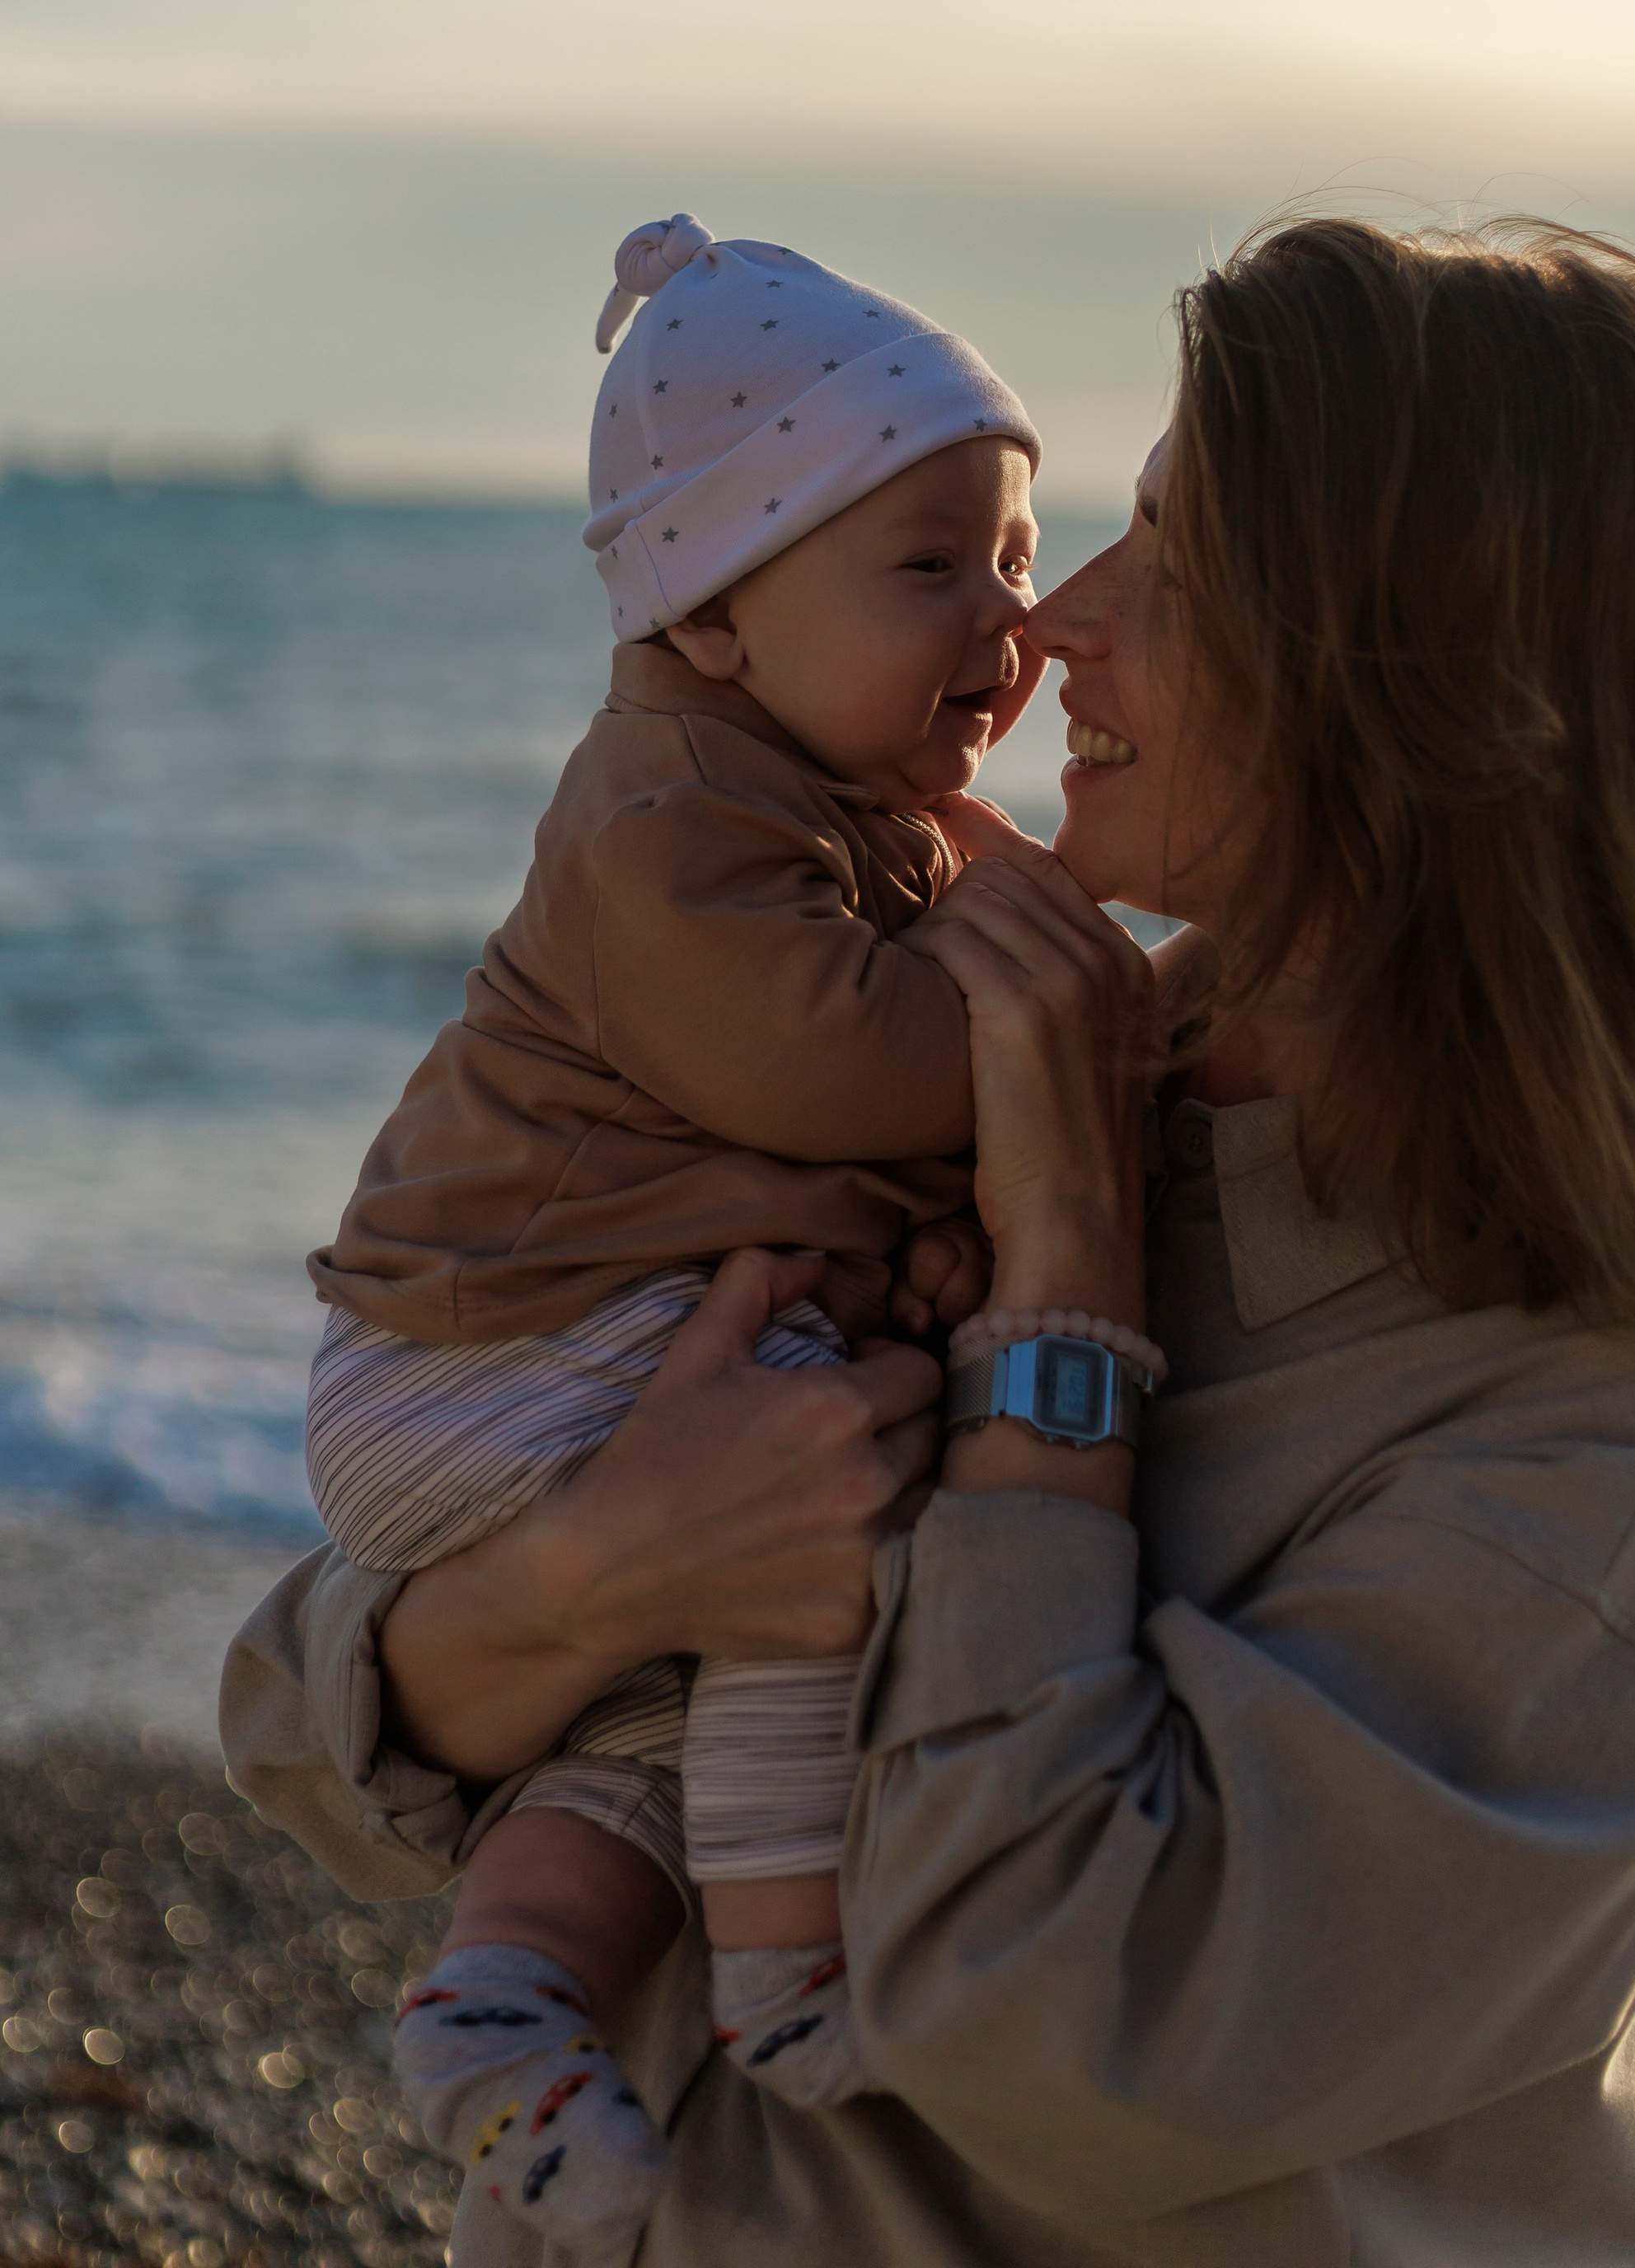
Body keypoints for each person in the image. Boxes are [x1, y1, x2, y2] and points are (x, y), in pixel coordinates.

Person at [225, 216, 1635, 2266]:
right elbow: (306, 1735)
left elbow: (1056, 2037)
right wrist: (600, 1571)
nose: (1059, 632)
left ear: (1451, 697)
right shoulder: (1043, 1064)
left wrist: (1061, 1318)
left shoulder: (1626, 1440)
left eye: (1184, 571)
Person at [297, 213, 1063, 2255]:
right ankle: (788, 1977)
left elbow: (812, 1147)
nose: (1008, 619)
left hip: (545, 1354)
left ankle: (508, 2007)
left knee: (640, 1725)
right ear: (709, 615)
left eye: (1010, 553)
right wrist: (1069, 1016)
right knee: (826, 1526)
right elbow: (832, 1071)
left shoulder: (799, 795)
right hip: (488, 1360)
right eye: (928, 568)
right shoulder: (668, 811)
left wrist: (917, 1233)